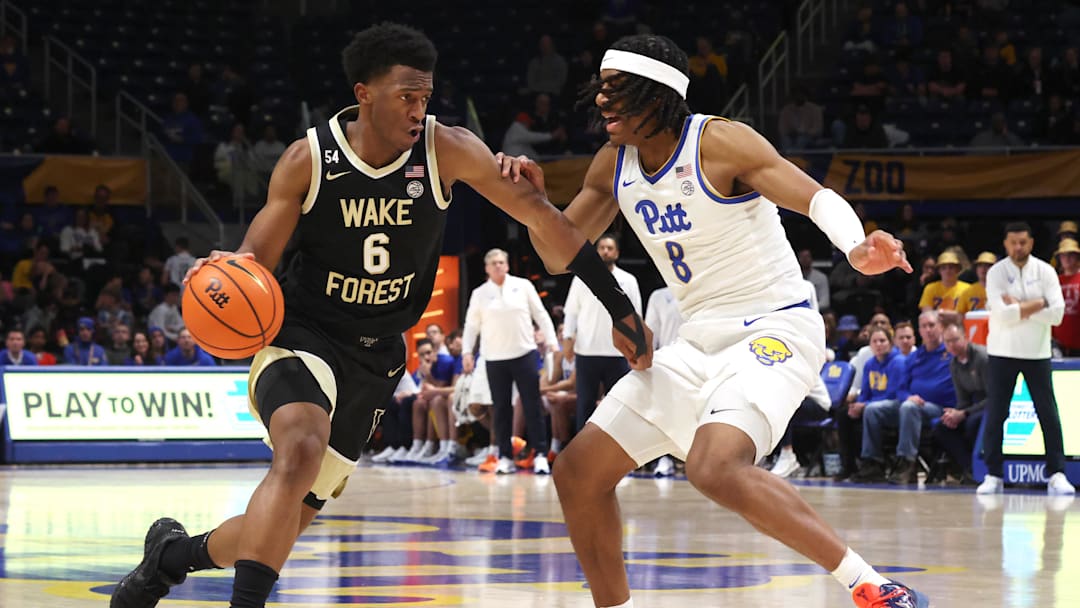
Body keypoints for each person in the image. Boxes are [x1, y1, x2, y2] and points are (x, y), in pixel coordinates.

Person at [109, 22, 648, 608]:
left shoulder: (448, 149)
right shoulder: (308, 160)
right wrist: (223, 272)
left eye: (426, 97)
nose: (419, 110)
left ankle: (171, 558)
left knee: (285, 524)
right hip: (304, 334)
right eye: (406, 96)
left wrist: (617, 304)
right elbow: (253, 259)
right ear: (364, 93)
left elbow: (547, 224)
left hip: (377, 356)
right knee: (300, 450)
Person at [499, 33, 924, 608]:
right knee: (577, 471)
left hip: (774, 327)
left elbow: (814, 197)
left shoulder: (719, 142)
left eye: (616, 89)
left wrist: (855, 246)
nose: (600, 100)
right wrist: (535, 207)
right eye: (600, 88)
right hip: (697, 339)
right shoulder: (613, 164)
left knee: (713, 466)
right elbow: (557, 255)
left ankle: (873, 585)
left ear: (657, 95)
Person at [977, 222, 1074, 496]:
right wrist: (1039, 303)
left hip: (1037, 353)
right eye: (1013, 243)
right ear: (1005, 244)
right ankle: (993, 474)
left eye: (1023, 242)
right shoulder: (996, 273)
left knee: (1048, 413)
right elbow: (1002, 315)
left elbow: (1057, 314)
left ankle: (1057, 473)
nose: (1018, 247)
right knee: (997, 414)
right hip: (1002, 352)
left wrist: (1018, 306)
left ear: (1031, 243)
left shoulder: (1045, 271)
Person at [461, 248, 559, 474]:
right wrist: (467, 352)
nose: (498, 265)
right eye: (493, 263)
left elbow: (541, 314)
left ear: (507, 265)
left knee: (532, 405)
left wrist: (552, 341)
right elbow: (471, 326)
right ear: (486, 268)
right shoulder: (479, 293)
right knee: (501, 409)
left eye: (501, 262)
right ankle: (505, 456)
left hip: (524, 353)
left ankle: (541, 454)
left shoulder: (523, 286)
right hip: (494, 358)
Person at [562, 234, 642, 432]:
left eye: (610, 248)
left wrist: (637, 345)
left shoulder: (628, 280)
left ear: (617, 253)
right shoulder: (581, 278)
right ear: (596, 252)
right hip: (586, 352)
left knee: (620, 407)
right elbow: (571, 312)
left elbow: (636, 315)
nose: (605, 251)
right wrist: (568, 338)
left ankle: (620, 451)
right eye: (602, 248)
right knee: (585, 405)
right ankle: (583, 451)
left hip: (618, 353)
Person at [935, 321, 987, 484]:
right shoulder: (954, 364)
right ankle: (969, 468)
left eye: (955, 340)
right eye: (948, 342)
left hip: (990, 405)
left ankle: (979, 468)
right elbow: (963, 400)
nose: (952, 345)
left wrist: (964, 413)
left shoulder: (982, 358)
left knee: (972, 424)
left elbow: (995, 396)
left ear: (966, 337)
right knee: (943, 426)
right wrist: (954, 414)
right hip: (972, 407)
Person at [1052, 238, 1080, 356]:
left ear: (1077, 257)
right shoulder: (1054, 281)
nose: (1067, 258)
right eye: (1063, 255)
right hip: (1058, 342)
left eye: (1071, 255)